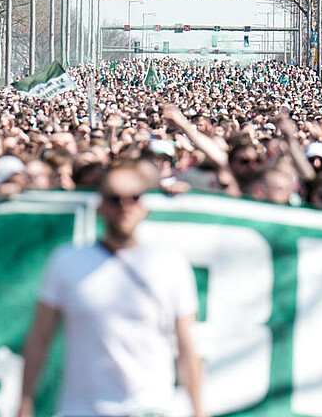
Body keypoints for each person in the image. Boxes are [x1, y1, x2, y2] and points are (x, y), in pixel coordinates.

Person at [18, 162, 204, 417]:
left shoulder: (170, 264)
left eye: (133, 198)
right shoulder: (66, 261)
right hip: (82, 410)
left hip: (150, 407)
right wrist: (25, 400)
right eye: (115, 199)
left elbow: (187, 344)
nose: (124, 206)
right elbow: (40, 337)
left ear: (144, 206)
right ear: (101, 206)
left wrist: (198, 408)